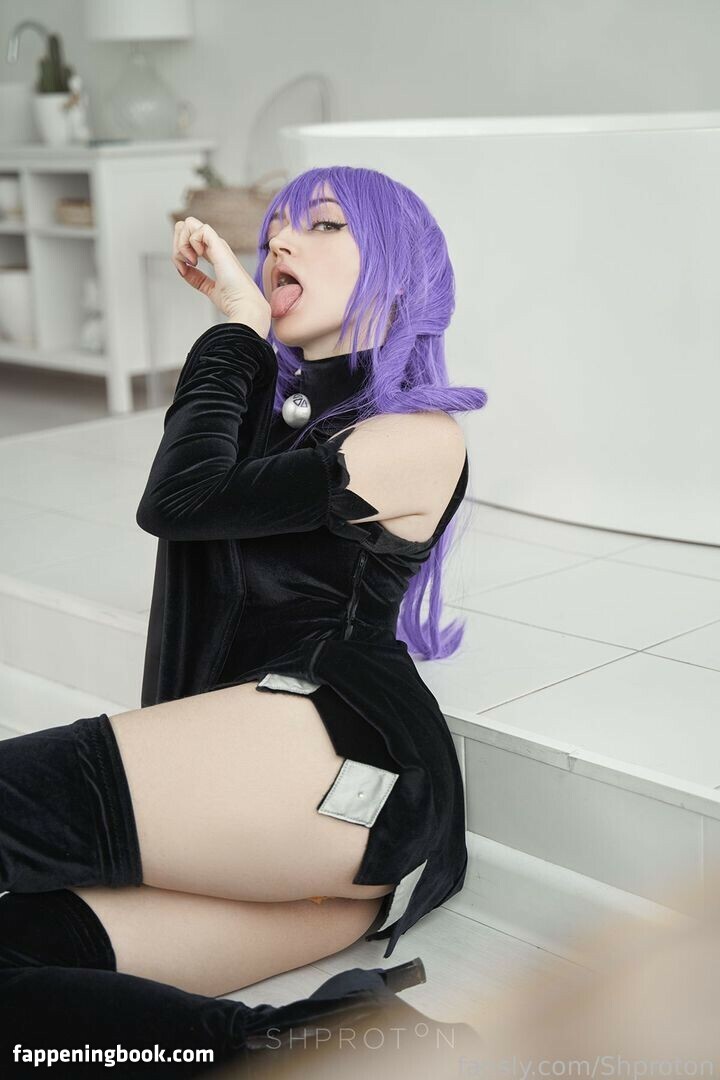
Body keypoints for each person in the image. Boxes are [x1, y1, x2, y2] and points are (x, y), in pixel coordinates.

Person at [0, 166, 489, 1065]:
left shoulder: (419, 437)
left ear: (400, 267)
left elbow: (178, 501)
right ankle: (331, 1053)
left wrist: (235, 325)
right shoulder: (255, 414)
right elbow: (194, 491)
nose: (279, 244)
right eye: (271, 234)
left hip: (346, 769)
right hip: (271, 831)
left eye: (324, 224)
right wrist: (244, 344)